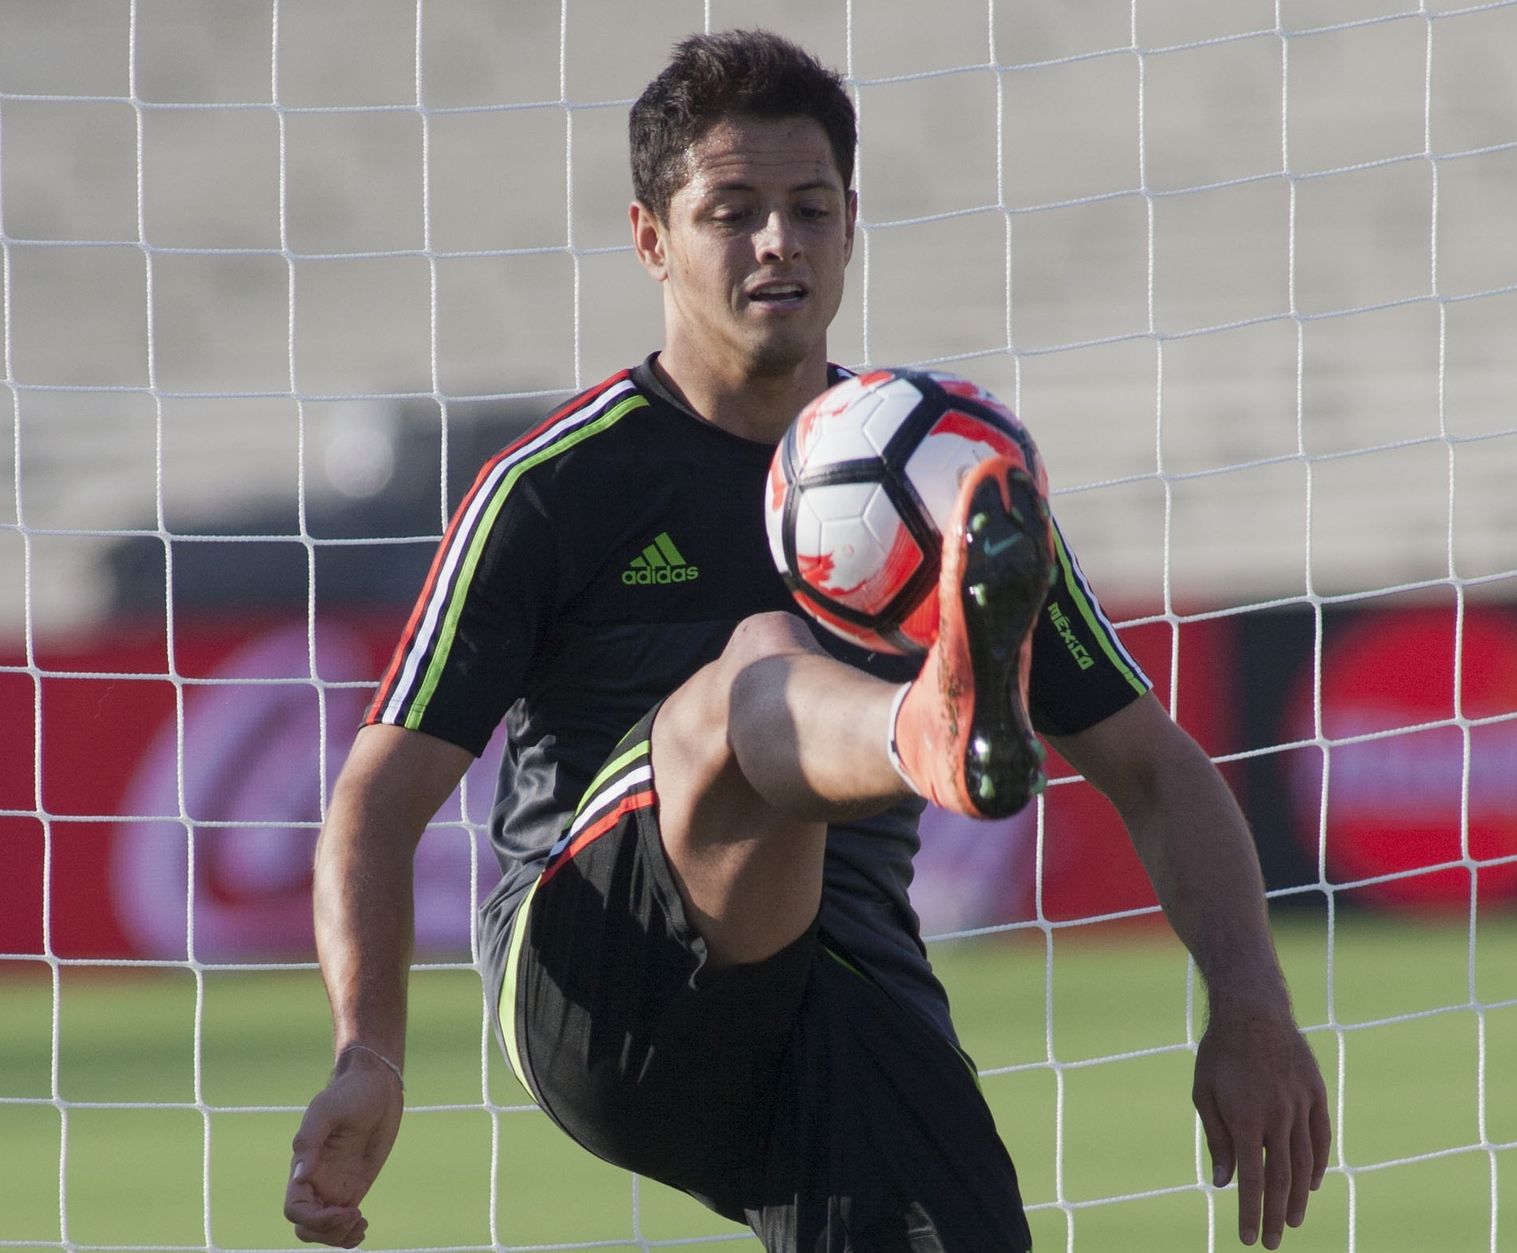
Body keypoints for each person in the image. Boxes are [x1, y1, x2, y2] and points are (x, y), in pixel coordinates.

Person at [284, 28, 1329, 1253]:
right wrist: (370, 1052)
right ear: (650, 241)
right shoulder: (551, 485)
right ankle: (922, 727)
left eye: (809, 207)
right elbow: (376, 793)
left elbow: (1153, 767)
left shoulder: (945, 469)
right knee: (751, 666)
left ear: (849, 227)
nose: (778, 238)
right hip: (597, 975)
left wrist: (1251, 1002)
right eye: (733, 209)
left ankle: (922, 725)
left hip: (839, 986)